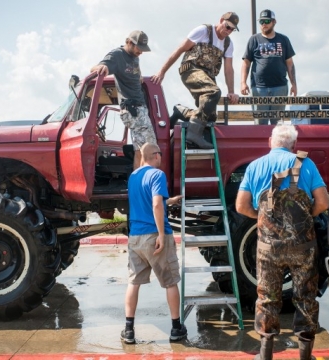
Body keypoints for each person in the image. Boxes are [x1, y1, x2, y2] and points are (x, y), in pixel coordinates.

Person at [235, 125, 329, 360]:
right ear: (293, 145)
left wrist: (263, 218)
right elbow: (324, 202)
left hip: (268, 249)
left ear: (270, 142)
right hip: (303, 248)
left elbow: (241, 206)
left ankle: (265, 354)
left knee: (267, 299)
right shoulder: (306, 164)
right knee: (306, 298)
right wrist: (307, 216)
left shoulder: (255, 166)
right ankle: (305, 356)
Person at [121, 142, 186, 344]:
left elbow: (150, 202)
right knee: (170, 282)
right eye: (160, 155)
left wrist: (171, 200)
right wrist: (160, 234)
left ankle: (129, 330)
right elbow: (156, 204)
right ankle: (176, 328)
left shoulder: (133, 177)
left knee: (133, 282)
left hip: (135, 238)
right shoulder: (158, 175)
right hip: (155, 236)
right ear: (155, 155)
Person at [151, 12, 240, 149]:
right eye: (227, 27)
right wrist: (162, 71)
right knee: (213, 92)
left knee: (209, 117)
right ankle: (193, 134)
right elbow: (180, 49)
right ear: (221, 20)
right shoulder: (204, 31)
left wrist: (232, 91)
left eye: (232, 29)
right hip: (191, 70)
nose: (228, 31)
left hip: (208, 77)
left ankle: (182, 112)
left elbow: (229, 69)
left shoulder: (228, 44)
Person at [91, 30, 157, 169]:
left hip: (140, 107)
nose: (141, 52)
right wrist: (101, 67)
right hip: (133, 108)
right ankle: (140, 185)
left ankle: (137, 184)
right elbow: (94, 68)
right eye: (139, 48)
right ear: (129, 42)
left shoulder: (135, 57)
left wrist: (139, 75)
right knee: (148, 150)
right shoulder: (117, 55)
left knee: (141, 149)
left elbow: (134, 71)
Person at [241, 9, 297, 125]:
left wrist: (294, 84)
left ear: (274, 22)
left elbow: (290, 63)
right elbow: (246, 62)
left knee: (278, 124)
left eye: (267, 21)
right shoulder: (254, 39)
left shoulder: (283, 39)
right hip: (259, 87)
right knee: (260, 124)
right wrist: (243, 82)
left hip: (280, 87)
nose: (264, 24)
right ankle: (261, 144)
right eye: (261, 22)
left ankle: (277, 144)